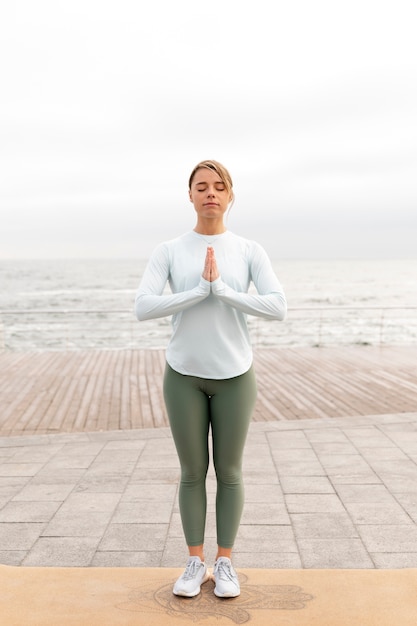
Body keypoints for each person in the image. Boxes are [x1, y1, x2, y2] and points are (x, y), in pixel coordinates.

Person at [135, 160, 286, 598]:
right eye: (201, 186)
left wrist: (222, 291)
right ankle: (194, 563)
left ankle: (225, 564)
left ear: (230, 194)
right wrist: (197, 291)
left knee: (230, 472)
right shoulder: (169, 250)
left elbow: (278, 306)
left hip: (235, 375)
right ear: (190, 195)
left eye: (219, 186)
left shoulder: (249, 250)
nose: (210, 194)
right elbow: (143, 306)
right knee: (191, 473)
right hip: (183, 375)